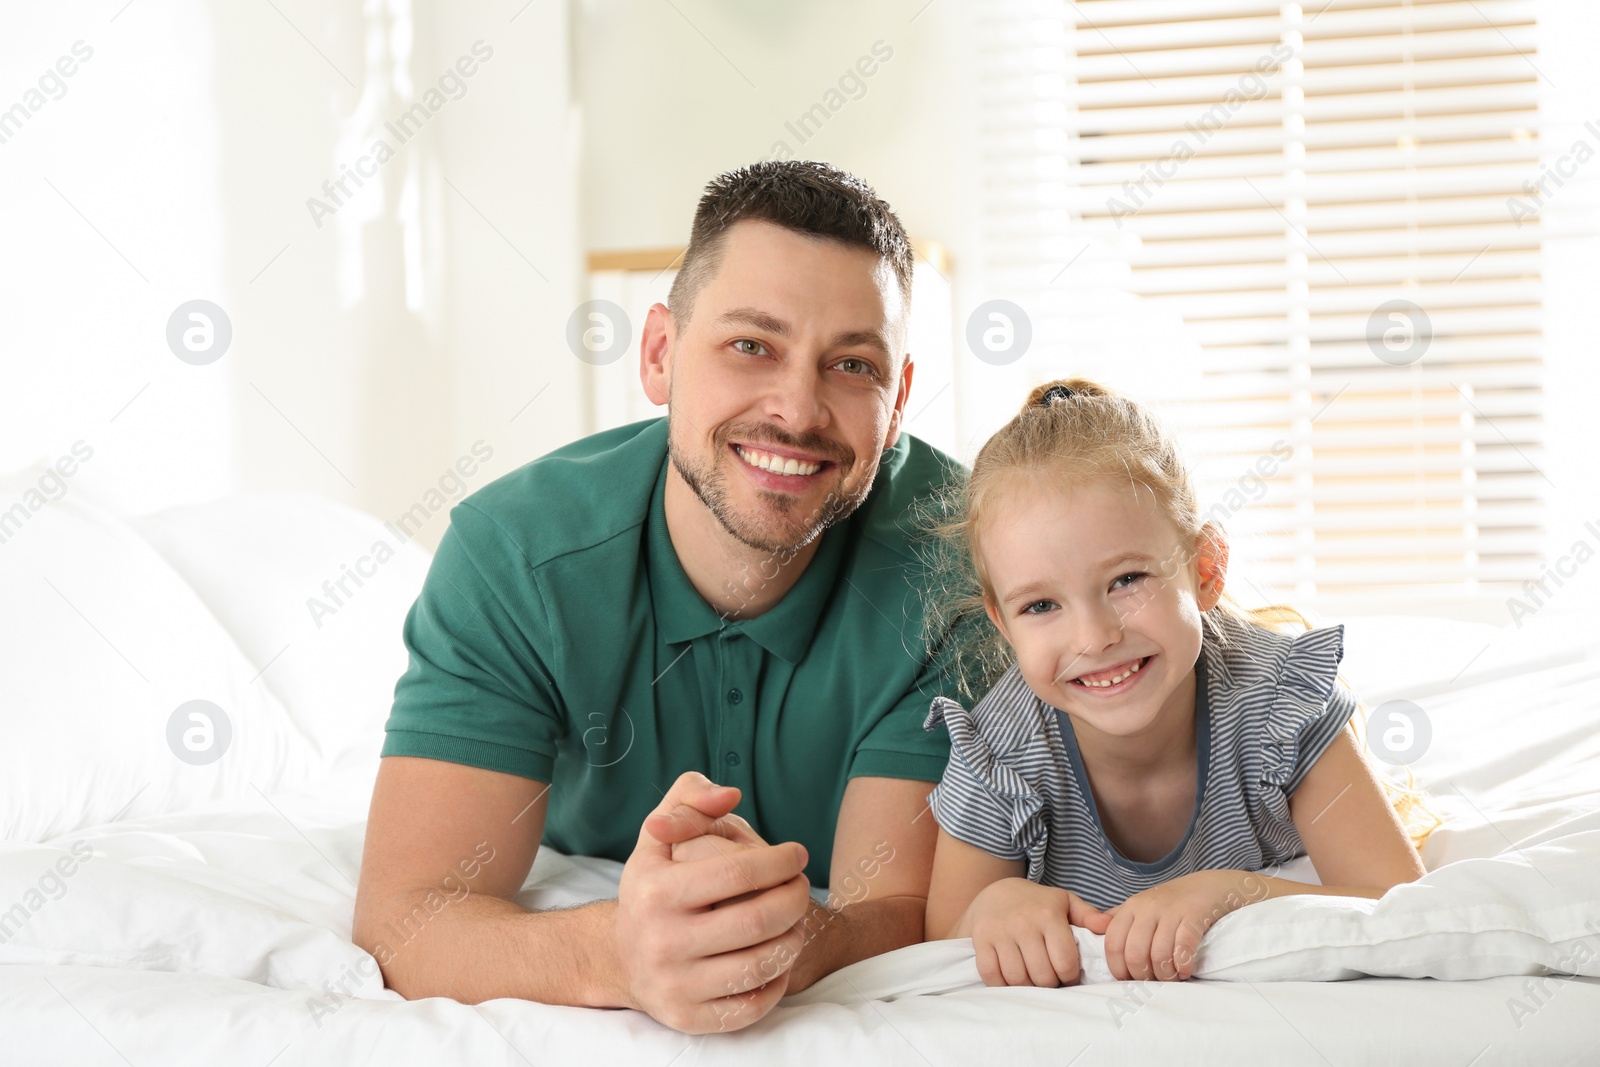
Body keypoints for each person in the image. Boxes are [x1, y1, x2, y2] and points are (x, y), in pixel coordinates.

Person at [353, 162, 969, 1034]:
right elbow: (404, 917)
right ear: (659, 354)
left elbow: (903, 908)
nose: (797, 410)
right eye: (751, 345)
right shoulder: (512, 556)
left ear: (898, 400)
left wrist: (769, 941)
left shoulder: (960, 561)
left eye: (851, 365)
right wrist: (618, 952)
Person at [919, 378, 1436, 988]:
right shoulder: (1002, 752)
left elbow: (1402, 905)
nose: (1094, 636)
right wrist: (993, 909)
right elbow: (938, 943)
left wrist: (1232, 894)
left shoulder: (1276, 701)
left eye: (1127, 580)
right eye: (1040, 606)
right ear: (1003, 624)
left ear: (1206, 569)